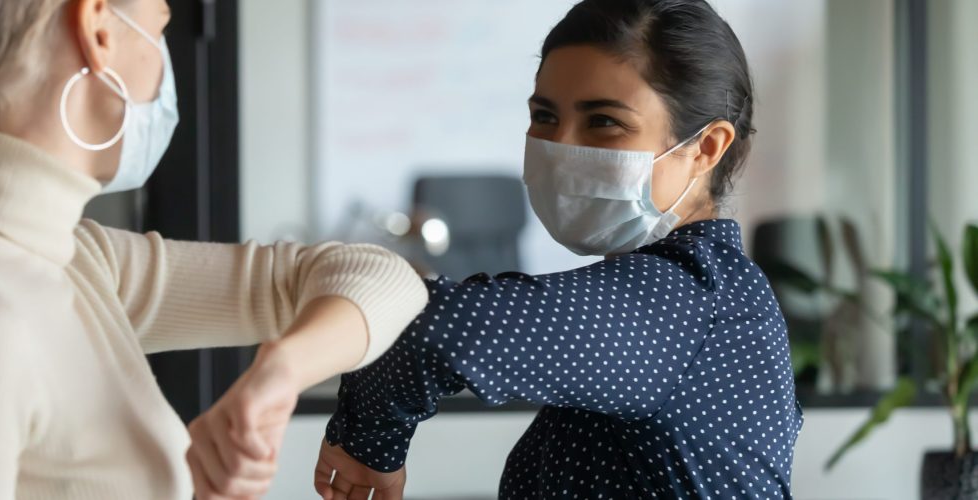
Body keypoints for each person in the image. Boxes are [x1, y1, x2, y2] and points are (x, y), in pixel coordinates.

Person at [0, 0, 427, 499]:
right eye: (161, 24)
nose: (162, 60)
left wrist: (279, 370)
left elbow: (382, 278)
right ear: (97, 30)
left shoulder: (68, 258)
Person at [308, 0, 803, 498]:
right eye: (544, 115)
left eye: (604, 121)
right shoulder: (704, 296)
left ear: (706, 147)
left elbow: (430, 328)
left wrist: (366, 447)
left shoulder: (688, 298)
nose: (562, 148)